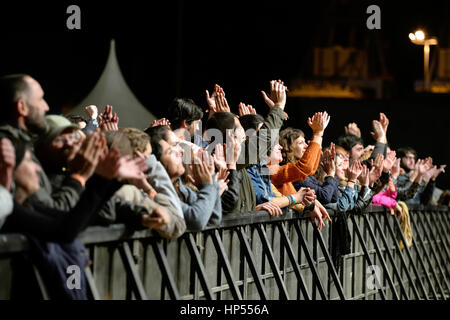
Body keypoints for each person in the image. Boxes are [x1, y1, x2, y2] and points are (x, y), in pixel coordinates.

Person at [0, 134, 147, 299]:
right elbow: (65, 230)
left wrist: (112, 180)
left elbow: (77, 220)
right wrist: (98, 179)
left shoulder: (30, 206)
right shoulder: (8, 210)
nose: (37, 169)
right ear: (8, 168)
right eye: (28, 161)